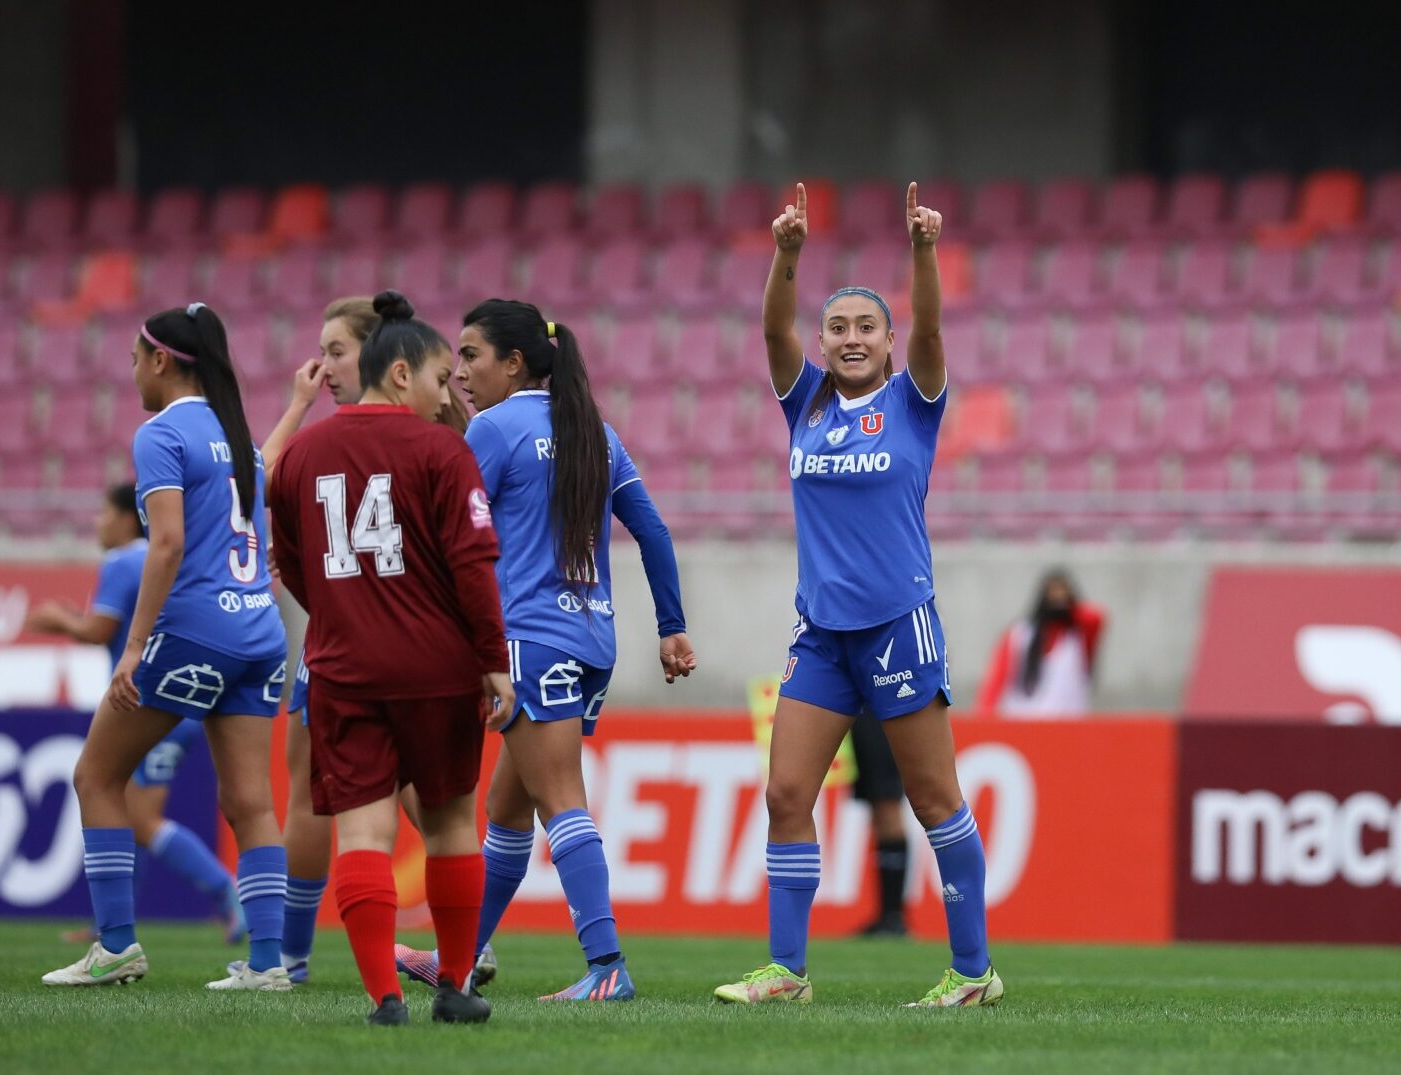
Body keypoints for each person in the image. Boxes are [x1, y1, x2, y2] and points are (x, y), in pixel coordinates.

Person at [714, 183, 1001, 1008]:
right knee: (785, 793)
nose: (848, 339)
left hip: (897, 625)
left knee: (932, 797)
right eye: (835, 327)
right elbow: (772, 329)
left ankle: (974, 970)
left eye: (864, 327)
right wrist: (788, 253)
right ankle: (786, 970)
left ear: (886, 343)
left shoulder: (912, 404)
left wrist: (921, 250)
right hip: (820, 634)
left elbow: (934, 328)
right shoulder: (802, 401)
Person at [400, 297, 695, 1004]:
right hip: (592, 638)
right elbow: (651, 529)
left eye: (471, 354)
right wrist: (671, 624)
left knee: (560, 799)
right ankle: (459, 960)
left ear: (514, 361)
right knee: (507, 810)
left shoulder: (494, 429)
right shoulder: (592, 429)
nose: (461, 370)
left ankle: (608, 964)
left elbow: (451, 538)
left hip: (527, 638)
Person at [268, 291, 508, 1026]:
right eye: (442, 377)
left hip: (342, 668)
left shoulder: (301, 454)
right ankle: (456, 985)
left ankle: (384, 996)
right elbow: (473, 563)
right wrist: (492, 658)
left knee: (364, 834)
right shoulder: (442, 450)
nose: (448, 394)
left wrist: (344, 617)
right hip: (437, 670)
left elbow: (292, 563)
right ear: (402, 374)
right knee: (450, 826)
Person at [41, 302, 290, 991]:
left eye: (132, 360)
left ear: (160, 361)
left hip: (194, 633)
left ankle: (116, 944)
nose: (131, 374)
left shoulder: (160, 433)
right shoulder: (236, 433)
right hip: (260, 634)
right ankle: (268, 962)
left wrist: (134, 647)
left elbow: (170, 543)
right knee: (250, 801)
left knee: (95, 775)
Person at [27, 484, 244, 945]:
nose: (97, 522)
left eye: (104, 512)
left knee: (138, 816)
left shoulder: (123, 562)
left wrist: (60, 620)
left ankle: (227, 892)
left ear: (128, 518)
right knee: (122, 806)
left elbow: (98, 629)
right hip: (180, 700)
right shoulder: (158, 560)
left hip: (147, 705)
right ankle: (111, 921)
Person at [975, 569, 1105, 718]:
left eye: (1063, 592)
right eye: (1053, 592)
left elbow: (1096, 617)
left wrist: (1067, 605)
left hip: (1068, 723)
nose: (1058, 597)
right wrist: (985, 714)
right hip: (1023, 720)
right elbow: (996, 679)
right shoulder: (1020, 633)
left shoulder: (1079, 636)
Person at [847, 713, 910, 937]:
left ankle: (893, 915)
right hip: (859, 710)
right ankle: (889, 914)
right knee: (879, 806)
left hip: (880, 706)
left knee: (887, 803)